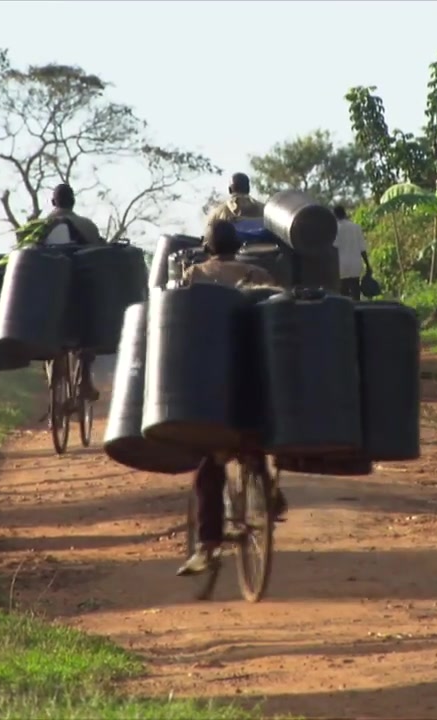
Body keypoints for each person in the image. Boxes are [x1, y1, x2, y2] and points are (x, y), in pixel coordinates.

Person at [177, 220, 287, 577]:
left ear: (207, 248)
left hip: (212, 391)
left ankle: (207, 546)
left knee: (209, 471)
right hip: (257, 387)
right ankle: (269, 493)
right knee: (253, 443)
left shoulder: (193, 274)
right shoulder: (257, 272)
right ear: (237, 246)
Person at [41, 183, 106, 401]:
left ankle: (52, 378)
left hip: (48, 297)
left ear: (53, 202)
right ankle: (84, 381)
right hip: (78, 297)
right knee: (87, 333)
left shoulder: (39, 227)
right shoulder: (87, 226)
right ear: (73, 202)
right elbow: (99, 254)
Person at [333, 205, 372, 302]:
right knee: (355, 289)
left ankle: (346, 312)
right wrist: (367, 265)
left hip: (341, 265)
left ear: (335, 215)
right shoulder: (356, 227)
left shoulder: (335, 229)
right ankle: (357, 309)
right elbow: (362, 249)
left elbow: (333, 248)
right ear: (345, 214)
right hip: (355, 263)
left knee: (343, 292)